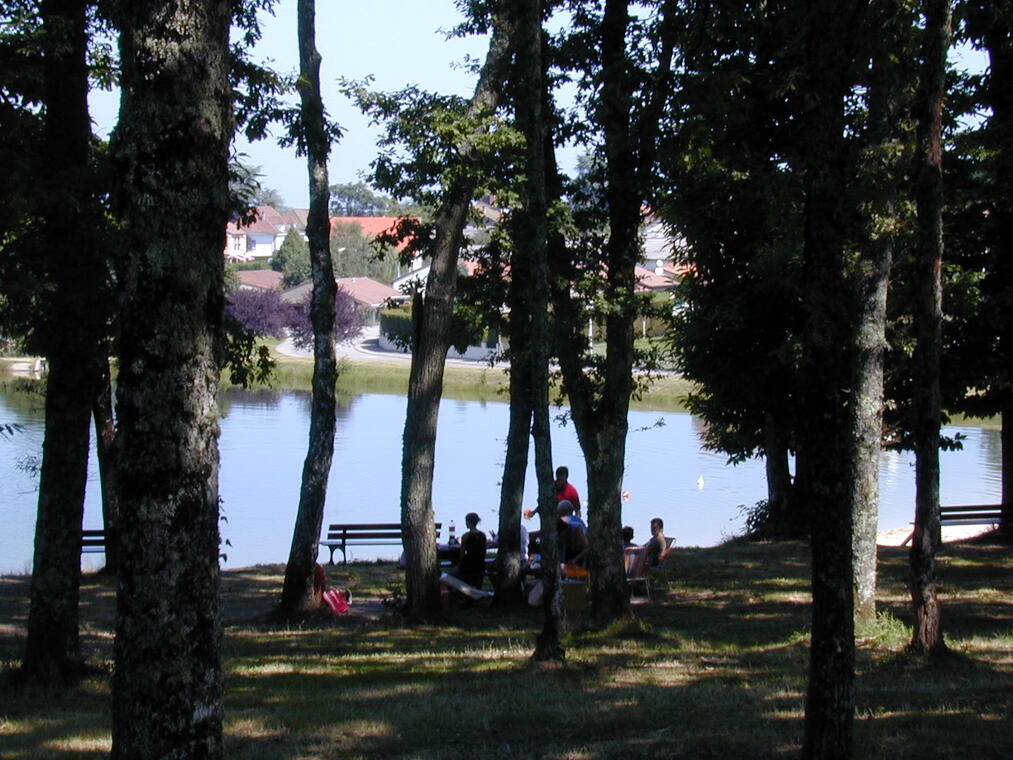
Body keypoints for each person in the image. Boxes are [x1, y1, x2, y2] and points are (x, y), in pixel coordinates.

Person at [451, 511, 488, 589]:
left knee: (450, 575)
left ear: (468, 522)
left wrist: (459, 566)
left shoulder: (466, 536)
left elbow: (462, 554)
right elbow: (484, 552)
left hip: (468, 566)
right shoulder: (483, 535)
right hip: (480, 566)